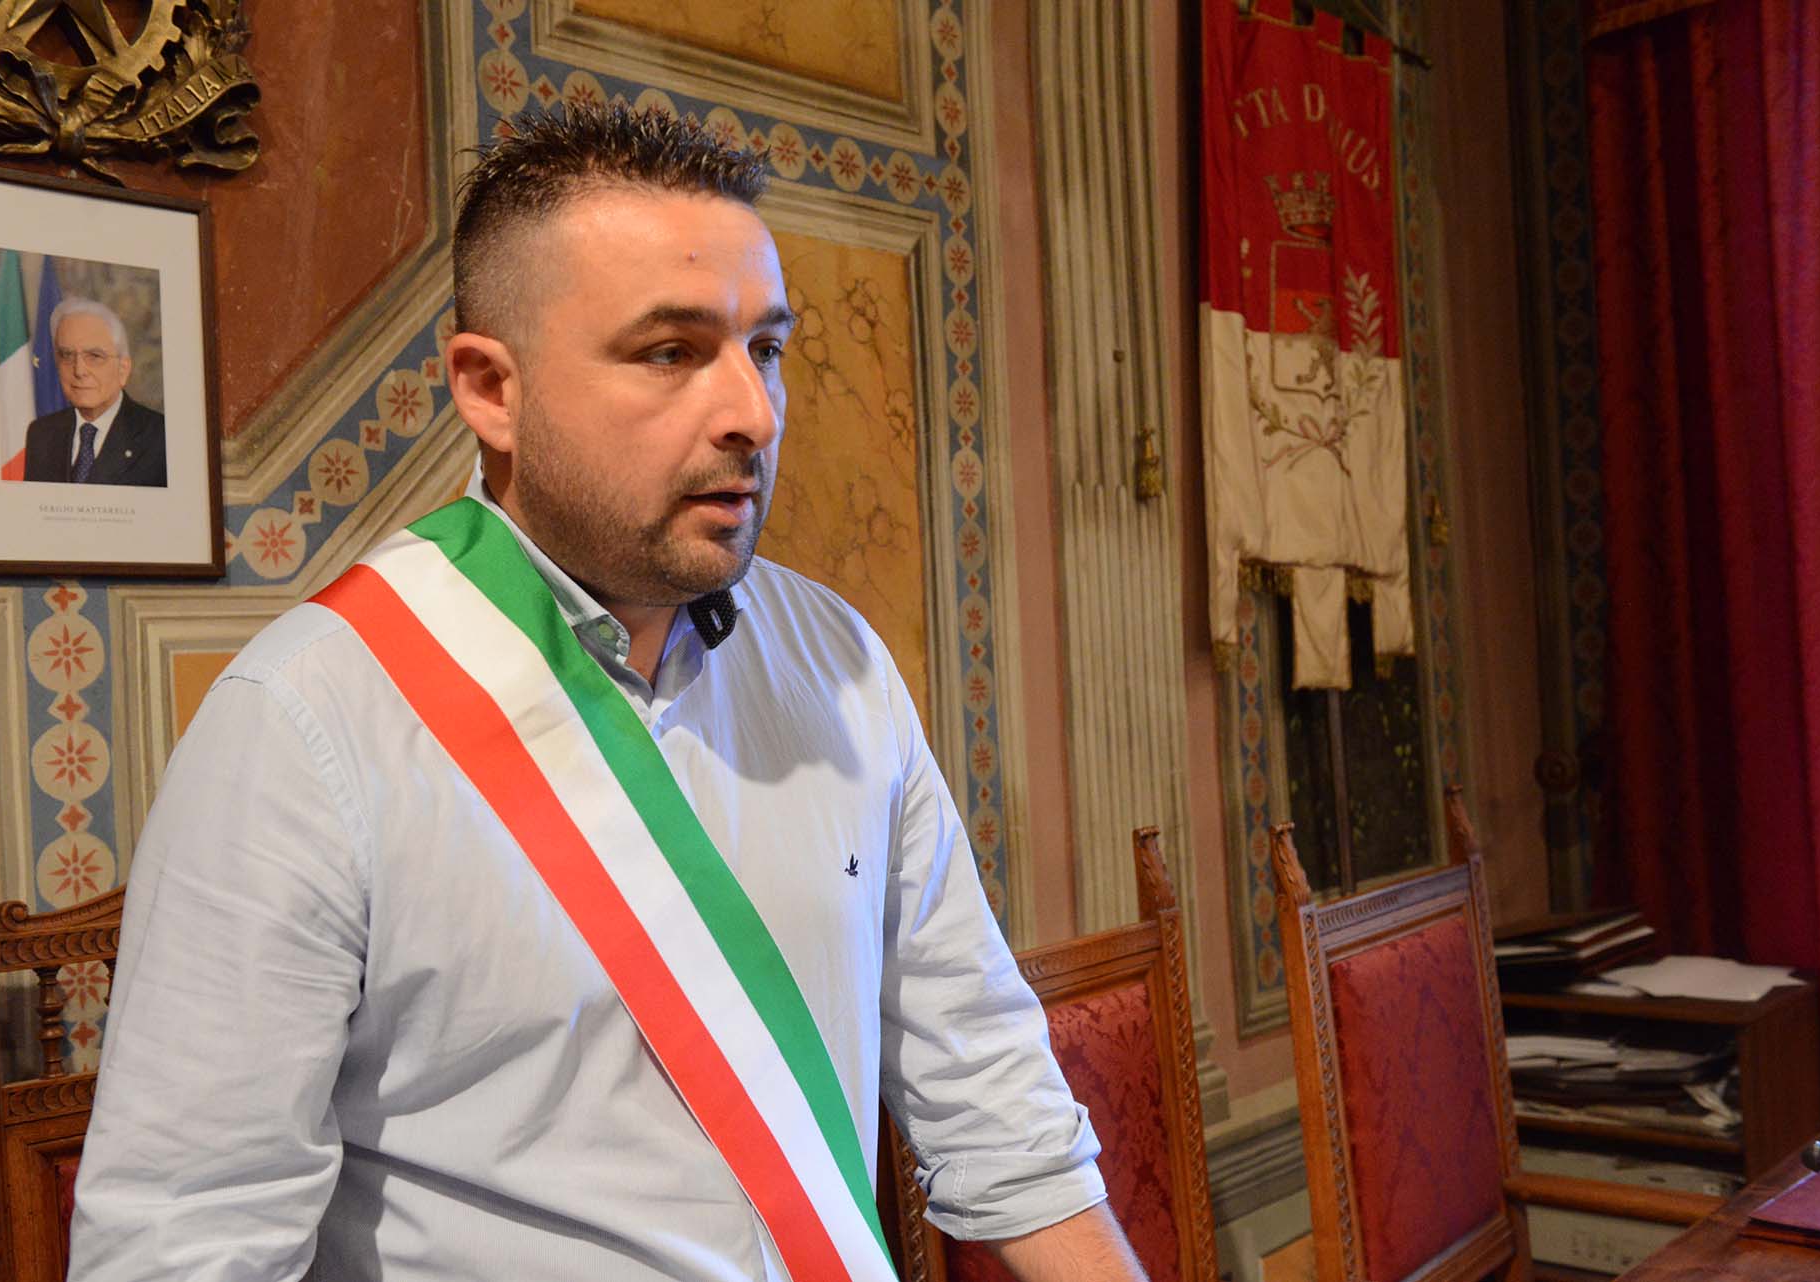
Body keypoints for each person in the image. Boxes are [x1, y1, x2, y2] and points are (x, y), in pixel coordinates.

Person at [69, 106, 1150, 1281]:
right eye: (672, 352)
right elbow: (189, 1245)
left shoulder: (837, 658)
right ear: (491, 388)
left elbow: (988, 1082)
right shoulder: (304, 722)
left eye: (765, 348)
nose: (753, 413)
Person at [21, 295, 167, 487]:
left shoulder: (160, 437)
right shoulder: (41, 433)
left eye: (95, 356)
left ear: (123, 369)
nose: (79, 371)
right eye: (67, 355)